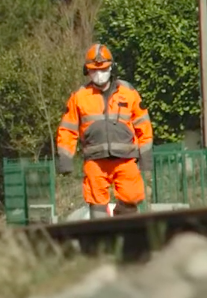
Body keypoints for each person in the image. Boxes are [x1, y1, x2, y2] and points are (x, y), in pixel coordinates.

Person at [55, 43, 154, 218]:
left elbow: (143, 125)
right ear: (87, 71)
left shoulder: (128, 92)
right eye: (94, 70)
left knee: (131, 198)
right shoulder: (79, 97)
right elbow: (67, 129)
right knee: (97, 205)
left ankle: (124, 230)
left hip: (125, 159)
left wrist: (146, 157)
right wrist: (65, 159)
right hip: (95, 161)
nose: (98, 74)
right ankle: (102, 240)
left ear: (111, 68)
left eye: (103, 69)